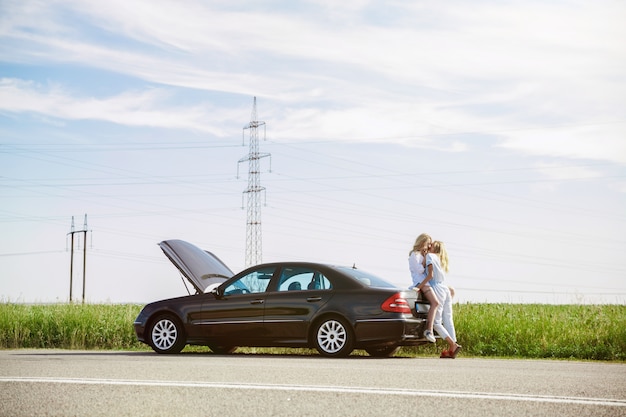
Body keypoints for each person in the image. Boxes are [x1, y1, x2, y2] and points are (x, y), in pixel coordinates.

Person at [425, 241, 461, 358]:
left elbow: (429, 274)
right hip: (444, 288)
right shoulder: (441, 259)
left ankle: (453, 345)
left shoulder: (430, 256)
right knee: (448, 318)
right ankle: (453, 345)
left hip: (436, 288)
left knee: (436, 322)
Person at [408, 233, 439, 343]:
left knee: (432, 305)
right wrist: (425, 260)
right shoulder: (414, 255)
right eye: (428, 243)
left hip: (425, 282)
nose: (429, 246)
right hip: (420, 282)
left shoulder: (421, 255)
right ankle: (429, 330)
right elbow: (419, 270)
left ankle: (430, 328)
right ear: (423, 242)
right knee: (435, 303)